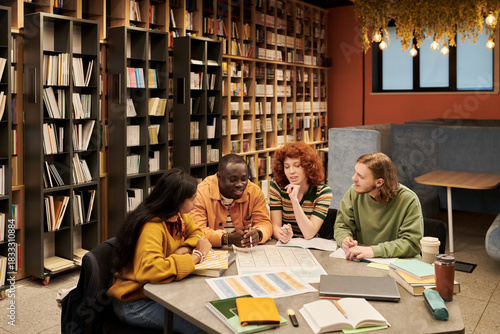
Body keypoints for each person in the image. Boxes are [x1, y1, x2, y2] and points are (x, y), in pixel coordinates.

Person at [108, 169, 211, 332]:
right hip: (135, 302)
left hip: (156, 292)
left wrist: (183, 249)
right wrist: (196, 256)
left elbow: (198, 233)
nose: (196, 202)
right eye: (192, 199)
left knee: (204, 313)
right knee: (201, 326)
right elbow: (151, 269)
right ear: (177, 200)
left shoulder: (178, 216)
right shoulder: (152, 227)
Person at [334, 152, 423, 260]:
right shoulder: (353, 193)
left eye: (360, 176)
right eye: (355, 173)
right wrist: (345, 240)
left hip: (397, 264)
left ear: (379, 182)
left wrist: (373, 251)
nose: (354, 178)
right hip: (361, 260)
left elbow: (411, 243)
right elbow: (342, 225)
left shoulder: (408, 200)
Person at [190, 154, 273, 247]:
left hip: (246, 252)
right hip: (212, 251)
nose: (240, 184)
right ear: (219, 177)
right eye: (233, 180)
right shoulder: (200, 193)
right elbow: (197, 232)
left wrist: (259, 234)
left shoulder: (254, 191)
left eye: (244, 179)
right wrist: (227, 238)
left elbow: (265, 223)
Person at [270, 141, 332, 243]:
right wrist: (282, 235)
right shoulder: (277, 188)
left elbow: (309, 234)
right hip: (286, 245)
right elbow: (275, 226)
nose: (291, 171)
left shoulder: (323, 192)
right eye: (286, 167)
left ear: (308, 167)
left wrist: (294, 200)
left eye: (297, 165)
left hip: (311, 246)